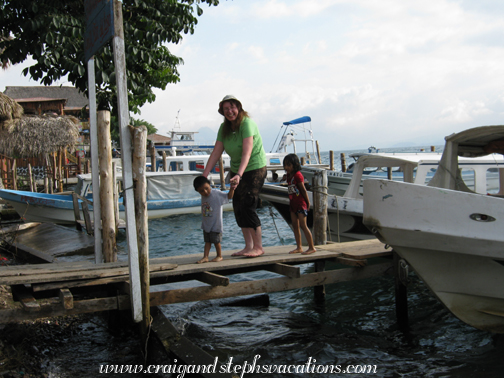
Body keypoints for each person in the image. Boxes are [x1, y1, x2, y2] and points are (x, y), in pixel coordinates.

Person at [202, 95, 267, 258]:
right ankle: (248, 246)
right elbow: (216, 153)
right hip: (238, 171)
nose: (230, 111)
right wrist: (204, 175)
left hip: (254, 168)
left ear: (238, 107)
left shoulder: (247, 123)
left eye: (232, 107)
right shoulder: (224, 129)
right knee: (238, 206)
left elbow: (247, 152)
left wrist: (239, 174)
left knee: (248, 204)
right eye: (226, 109)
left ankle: (258, 247)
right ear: (222, 112)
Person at [193, 175, 235, 264]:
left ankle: (219, 256)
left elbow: (229, 197)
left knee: (216, 241)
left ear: (209, 184)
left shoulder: (216, 193)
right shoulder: (203, 196)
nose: (205, 192)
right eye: (201, 191)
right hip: (206, 224)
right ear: (198, 191)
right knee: (207, 241)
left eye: (206, 188)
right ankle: (205, 257)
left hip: (216, 224)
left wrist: (232, 188)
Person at [283, 153, 316, 255]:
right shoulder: (289, 175)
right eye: (285, 165)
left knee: (303, 225)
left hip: (301, 204)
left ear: (295, 164)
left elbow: (303, 190)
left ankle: (311, 247)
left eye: (288, 165)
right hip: (293, 204)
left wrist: (307, 202)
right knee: (295, 226)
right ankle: (299, 247)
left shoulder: (297, 175)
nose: (286, 167)